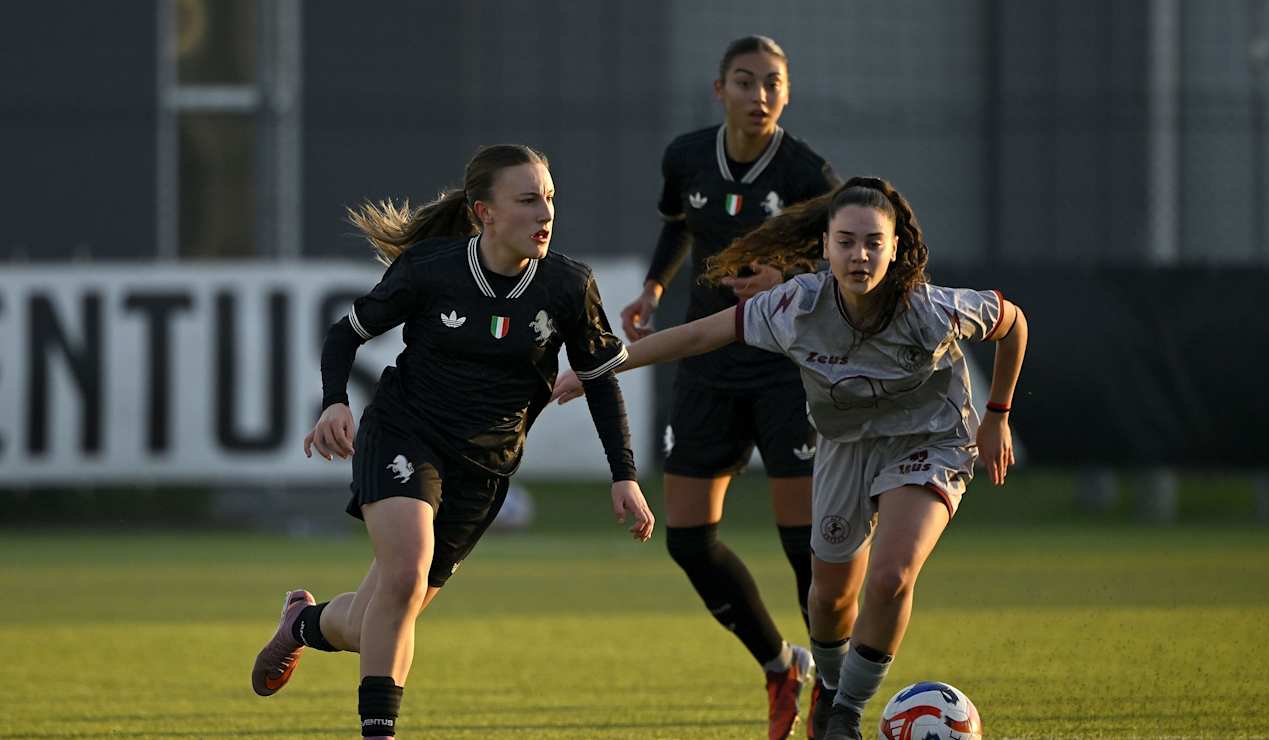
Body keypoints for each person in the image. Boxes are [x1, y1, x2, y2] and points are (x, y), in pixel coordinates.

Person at [555, 176, 1028, 740]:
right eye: (846, 241)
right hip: (844, 446)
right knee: (827, 599)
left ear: (896, 246)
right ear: (825, 246)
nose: (860, 255)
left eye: (874, 242)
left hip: (929, 440)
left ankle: (845, 714)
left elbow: (1013, 323)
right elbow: (695, 337)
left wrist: (997, 414)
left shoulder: (929, 309)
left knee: (892, 575)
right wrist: (603, 368)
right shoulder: (795, 304)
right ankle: (831, 685)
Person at [249, 144, 656, 739]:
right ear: (483, 212)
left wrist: (623, 474)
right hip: (404, 431)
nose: (545, 213)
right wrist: (335, 400)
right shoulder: (433, 269)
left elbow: (599, 380)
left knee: (374, 623)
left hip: (485, 467)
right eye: (527, 200)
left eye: (549, 199)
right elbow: (345, 333)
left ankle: (302, 624)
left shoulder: (569, 286)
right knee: (407, 575)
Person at [617, 34, 840, 740]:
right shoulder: (686, 156)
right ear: (720, 91)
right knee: (687, 540)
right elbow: (679, 225)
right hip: (708, 364)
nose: (760, 95)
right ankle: (781, 665)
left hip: (784, 367)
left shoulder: (808, 174)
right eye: (745, 82)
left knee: (804, 547)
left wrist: (786, 280)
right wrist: (654, 287)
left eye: (773, 82)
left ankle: (835, 697)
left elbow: (846, 257)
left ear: (787, 91)